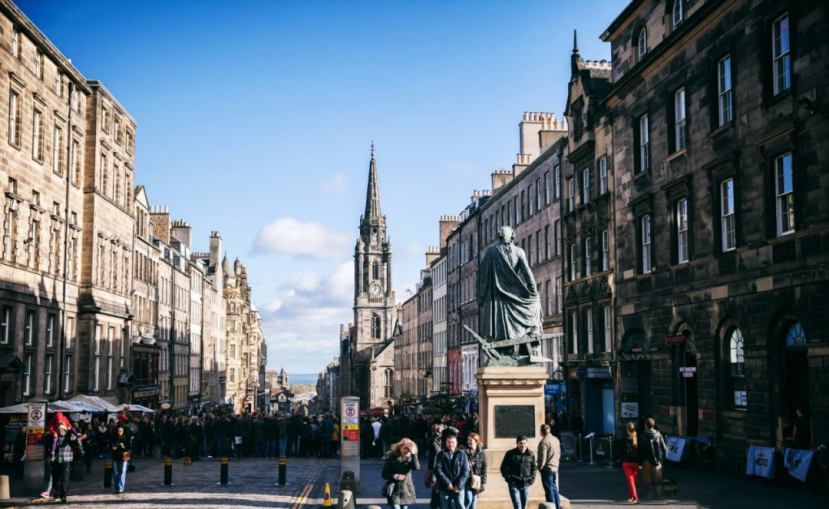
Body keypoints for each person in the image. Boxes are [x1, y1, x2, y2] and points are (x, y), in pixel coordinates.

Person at [434, 430, 469, 509]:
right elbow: (438, 470)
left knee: (460, 505)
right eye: (449, 442)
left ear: (456, 443)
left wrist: (458, 485)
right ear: (446, 443)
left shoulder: (462, 454)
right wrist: (447, 483)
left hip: (459, 487)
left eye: (453, 442)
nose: (451, 444)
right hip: (445, 487)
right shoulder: (441, 454)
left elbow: (466, 471)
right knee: (445, 507)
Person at [382, 438, 421, 509]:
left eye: (408, 449)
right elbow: (384, 474)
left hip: (406, 489)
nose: (406, 450)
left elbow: (416, 467)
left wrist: (413, 454)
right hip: (394, 489)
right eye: (405, 448)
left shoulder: (411, 458)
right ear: (400, 447)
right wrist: (395, 476)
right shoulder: (392, 458)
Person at [500, 436, 536, 509]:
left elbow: (534, 468)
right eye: (521, 443)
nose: (523, 445)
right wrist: (509, 479)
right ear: (517, 443)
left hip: (526, 483)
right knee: (517, 506)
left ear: (527, 444)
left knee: (523, 506)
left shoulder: (531, 454)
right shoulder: (510, 453)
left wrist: (532, 479)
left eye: (524, 443)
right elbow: (503, 468)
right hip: (514, 483)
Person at [51, 424, 78, 503]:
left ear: (65, 430)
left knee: (65, 479)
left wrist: (78, 439)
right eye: (59, 430)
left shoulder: (69, 436)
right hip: (56, 460)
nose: (61, 431)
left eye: (62, 430)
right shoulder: (55, 437)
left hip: (66, 460)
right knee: (56, 479)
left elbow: (75, 443)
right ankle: (56, 495)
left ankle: (63, 496)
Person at [537, 424, 561, 509]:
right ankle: (558, 507)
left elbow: (542, 457)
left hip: (547, 469)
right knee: (554, 489)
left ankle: (552, 507)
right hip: (554, 467)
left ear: (541, 432)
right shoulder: (555, 439)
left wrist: (540, 467)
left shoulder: (544, 442)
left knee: (549, 491)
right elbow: (559, 453)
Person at [617, 422, 639, 505]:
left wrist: (617, 458)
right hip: (636, 462)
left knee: (631, 481)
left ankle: (635, 498)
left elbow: (619, 450)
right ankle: (630, 497)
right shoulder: (637, 438)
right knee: (633, 481)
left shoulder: (624, 439)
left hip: (626, 462)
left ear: (627, 429)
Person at [640, 418, 667, 486]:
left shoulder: (642, 436)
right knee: (658, 480)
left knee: (647, 479)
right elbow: (664, 448)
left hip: (646, 460)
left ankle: (648, 491)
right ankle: (657, 492)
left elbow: (640, 449)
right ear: (653, 425)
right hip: (657, 460)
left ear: (645, 425)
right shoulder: (658, 435)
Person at [465, 433, 487, 509]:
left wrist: (483, 482)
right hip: (467, 479)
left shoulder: (482, 452)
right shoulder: (465, 452)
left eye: (470, 440)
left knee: (474, 500)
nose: (468, 442)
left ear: (476, 441)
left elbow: (484, 467)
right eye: (468, 440)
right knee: (468, 499)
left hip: (477, 479)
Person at [110, 425, 132, 494]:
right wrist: (113, 448)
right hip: (116, 455)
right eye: (118, 431)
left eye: (121, 431)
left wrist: (123, 446)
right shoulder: (114, 438)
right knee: (116, 472)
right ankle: (117, 488)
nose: (120, 432)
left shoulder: (126, 438)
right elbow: (111, 446)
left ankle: (121, 487)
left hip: (124, 455)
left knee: (123, 471)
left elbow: (129, 447)